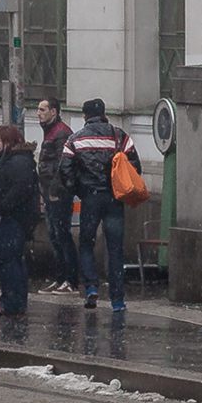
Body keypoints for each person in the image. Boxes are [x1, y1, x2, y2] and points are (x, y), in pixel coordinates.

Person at [64, 97, 134, 313]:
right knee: (115, 250)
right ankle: (117, 300)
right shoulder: (119, 136)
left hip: (90, 198)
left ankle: (92, 287)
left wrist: (79, 189)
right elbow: (134, 166)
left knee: (86, 243)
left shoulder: (75, 140)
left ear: (85, 115)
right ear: (104, 113)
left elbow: (65, 170)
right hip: (114, 198)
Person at [0, 123, 40, 321]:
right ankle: (11, 302)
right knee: (10, 263)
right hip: (8, 218)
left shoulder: (16, 163)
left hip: (10, 220)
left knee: (9, 263)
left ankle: (12, 303)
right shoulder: (12, 161)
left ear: (8, 142)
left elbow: (17, 192)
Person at [33, 100, 77, 291]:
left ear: (53, 111)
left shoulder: (61, 132)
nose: (38, 113)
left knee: (61, 234)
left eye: (42, 110)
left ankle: (70, 278)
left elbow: (62, 165)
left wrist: (54, 191)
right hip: (50, 192)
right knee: (55, 235)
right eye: (38, 110)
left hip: (58, 194)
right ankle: (61, 277)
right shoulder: (52, 131)